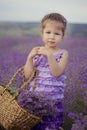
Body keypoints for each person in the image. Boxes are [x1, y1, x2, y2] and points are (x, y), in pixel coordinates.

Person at [18, 13, 68, 130]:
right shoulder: (37, 52)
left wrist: (49, 55)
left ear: (62, 36)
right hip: (34, 102)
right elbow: (28, 76)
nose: (52, 37)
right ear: (42, 34)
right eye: (48, 32)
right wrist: (30, 58)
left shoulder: (63, 54)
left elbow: (56, 73)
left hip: (53, 102)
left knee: (51, 126)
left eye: (57, 34)